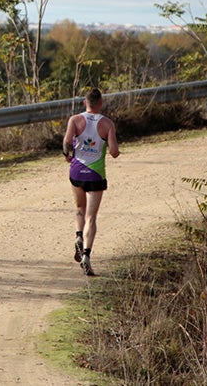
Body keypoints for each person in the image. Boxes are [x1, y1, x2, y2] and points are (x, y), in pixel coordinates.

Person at [62, 87, 119, 276]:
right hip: (96, 174)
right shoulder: (107, 124)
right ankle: (86, 255)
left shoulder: (75, 120)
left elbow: (67, 141)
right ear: (101, 103)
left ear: (85, 102)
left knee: (80, 208)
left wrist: (67, 155)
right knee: (91, 218)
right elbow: (113, 151)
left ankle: (78, 236)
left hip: (77, 171)